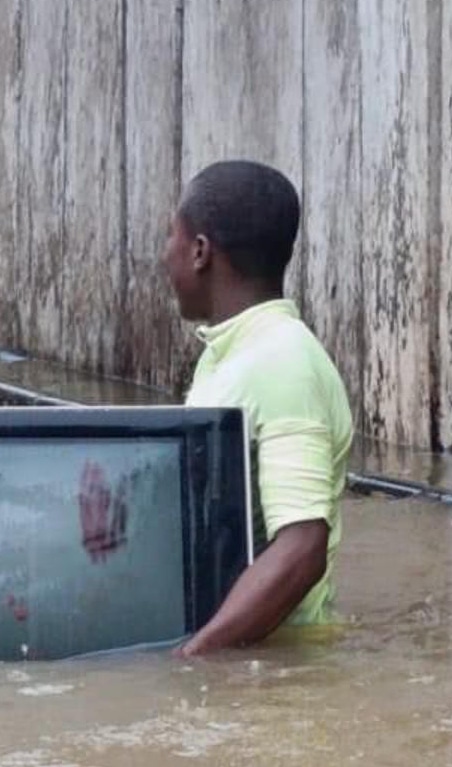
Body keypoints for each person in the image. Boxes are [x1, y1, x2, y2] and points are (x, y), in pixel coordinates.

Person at [162, 160, 354, 657]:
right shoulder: (230, 354)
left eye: (172, 237)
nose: (166, 256)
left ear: (200, 250)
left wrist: (194, 658)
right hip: (243, 653)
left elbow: (301, 548)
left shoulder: (282, 362)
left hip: (276, 668)